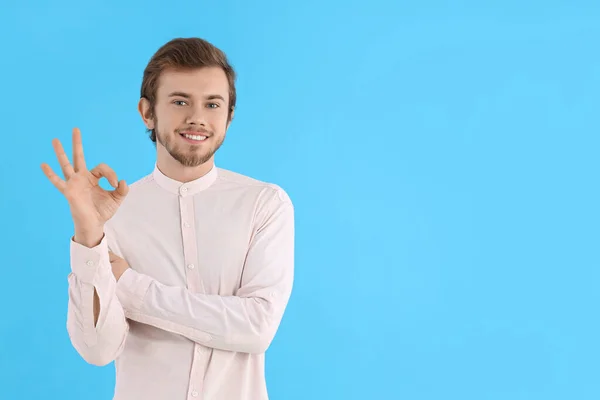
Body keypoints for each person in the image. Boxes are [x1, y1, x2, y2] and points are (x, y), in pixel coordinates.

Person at [41, 37, 295, 400]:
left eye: (212, 104)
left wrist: (130, 286)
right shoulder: (112, 213)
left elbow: (256, 329)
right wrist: (88, 236)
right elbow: (97, 350)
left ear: (229, 115)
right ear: (147, 112)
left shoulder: (264, 205)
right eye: (180, 102)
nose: (197, 118)